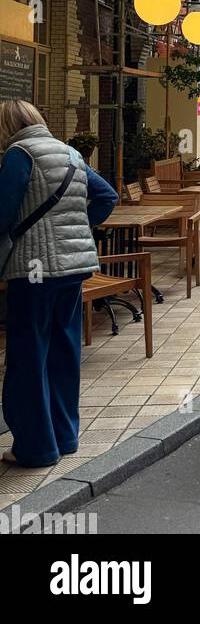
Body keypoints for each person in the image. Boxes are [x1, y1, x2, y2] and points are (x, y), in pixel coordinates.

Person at [0, 100, 118, 468]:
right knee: (64, 350)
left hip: (34, 269)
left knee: (28, 353)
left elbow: (2, 214)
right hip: (74, 266)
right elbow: (106, 196)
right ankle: (65, 437)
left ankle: (36, 448)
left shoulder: (19, 153)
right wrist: (77, 231)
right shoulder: (70, 153)